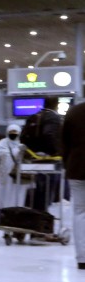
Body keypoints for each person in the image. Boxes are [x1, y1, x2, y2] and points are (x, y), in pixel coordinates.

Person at [61, 101, 85, 270]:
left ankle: (82, 257)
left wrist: (67, 164)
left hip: (76, 168)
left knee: (79, 212)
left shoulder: (74, 112)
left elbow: (64, 143)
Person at [0, 124, 29, 209]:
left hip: (18, 178)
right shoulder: (2, 144)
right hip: (4, 177)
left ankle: (16, 213)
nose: (13, 134)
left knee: (17, 197)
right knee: (3, 197)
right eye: (11, 132)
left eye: (15, 132)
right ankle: (4, 212)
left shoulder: (22, 145)